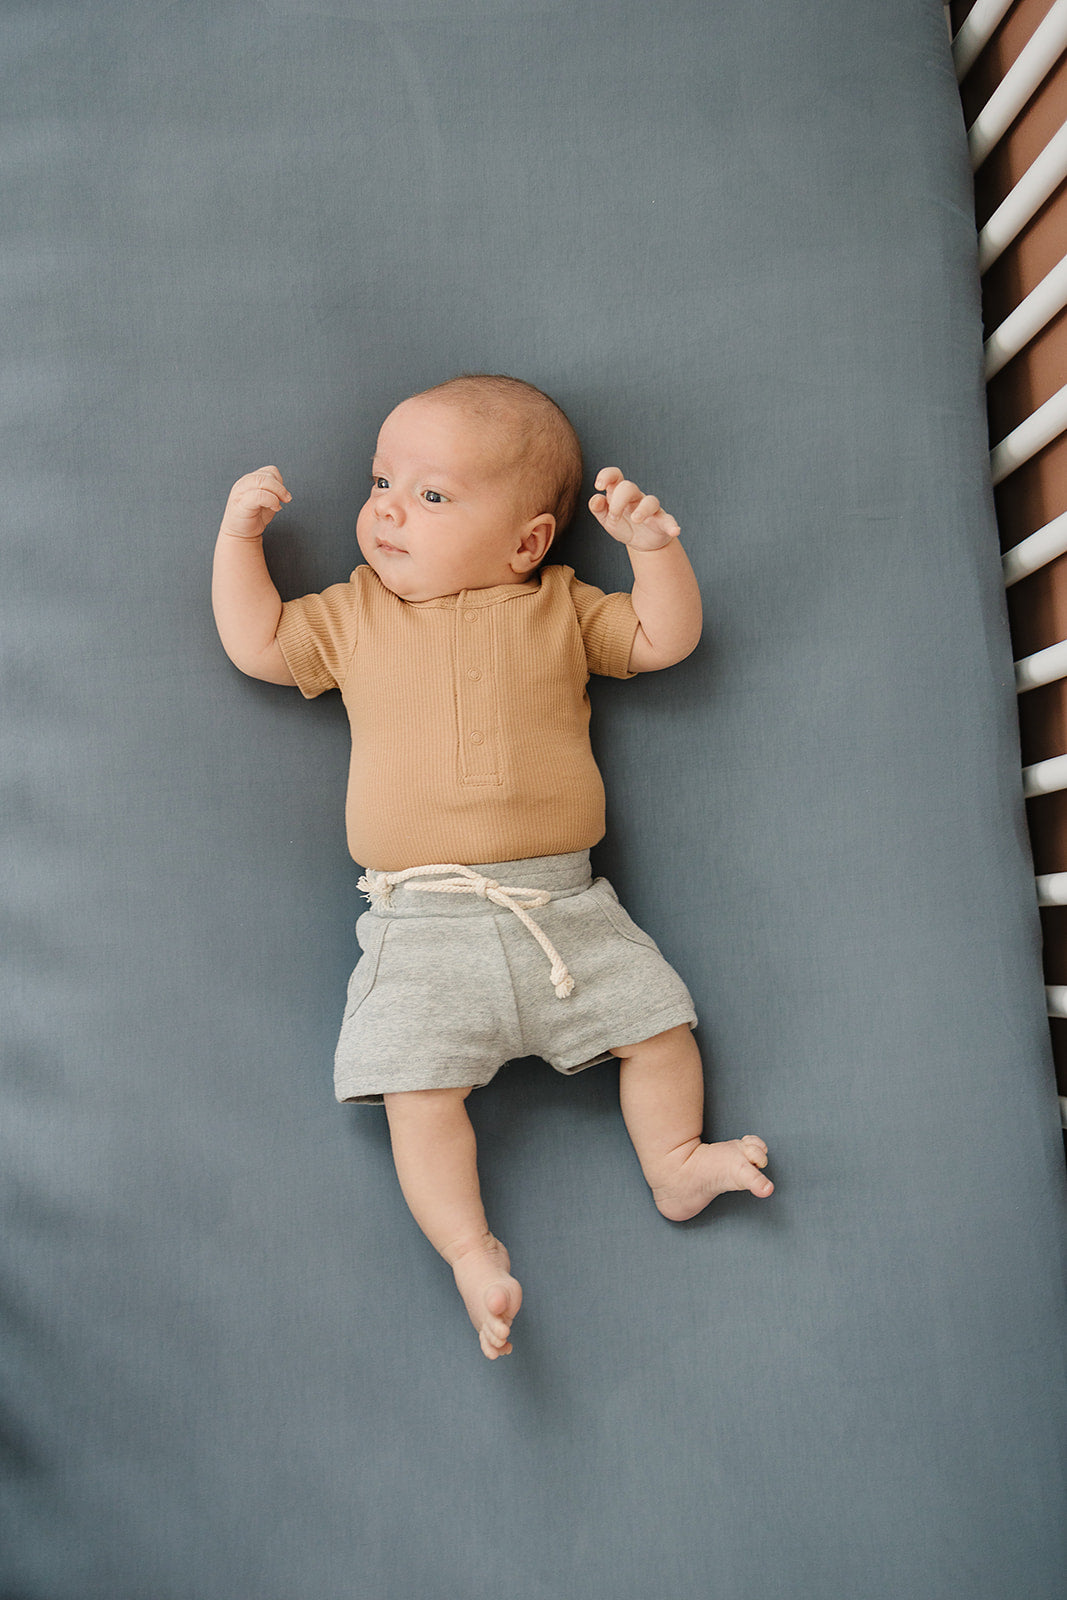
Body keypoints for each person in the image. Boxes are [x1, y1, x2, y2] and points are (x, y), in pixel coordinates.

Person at [212, 374, 773, 1360]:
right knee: (413, 1097)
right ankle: (471, 1252)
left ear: (526, 541)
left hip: (564, 910)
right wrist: (237, 542)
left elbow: (661, 637)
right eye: (382, 480)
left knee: (662, 1027)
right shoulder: (351, 615)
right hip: (419, 927)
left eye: (430, 496)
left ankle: (676, 1160)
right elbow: (257, 642)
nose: (385, 508)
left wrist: (655, 549)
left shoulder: (558, 606)